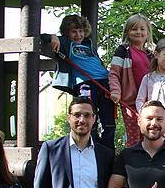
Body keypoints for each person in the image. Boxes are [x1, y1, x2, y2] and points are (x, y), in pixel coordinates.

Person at [45, 15, 116, 151]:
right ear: (66, 32)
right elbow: (41, 36)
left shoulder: (88, 45)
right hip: (85, 84)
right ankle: (92, 149)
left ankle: (109, 152)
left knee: (109, 122)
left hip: (104, 83)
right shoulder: (65, 43)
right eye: (74, 31)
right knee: (88, 117)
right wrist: (52, 37)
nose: (78, 35)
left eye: (81, 31)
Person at [109, 13, 154, 147]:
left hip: (150, 102)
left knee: (151, 136)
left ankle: (151, 164)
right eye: (134, 29)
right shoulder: (123, 51)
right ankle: (132, 165)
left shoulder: (151, 54)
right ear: (128, 32)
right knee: (134, 137)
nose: (138, 32)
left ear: (147, 32)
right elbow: (114, 73)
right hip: (131, 102)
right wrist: (116, 91)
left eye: (142, 29)